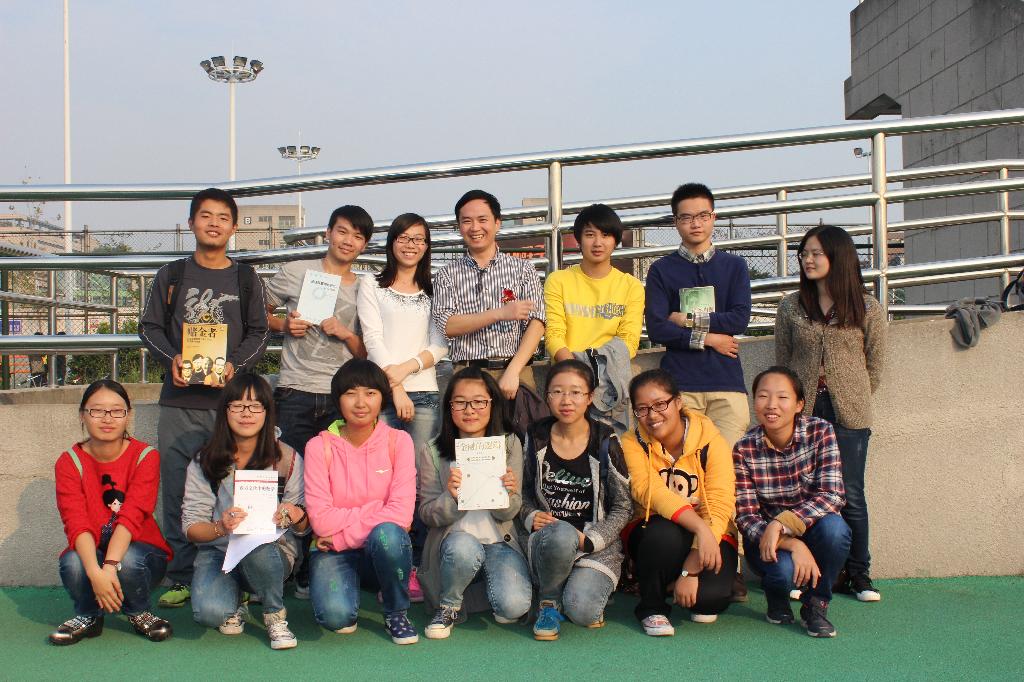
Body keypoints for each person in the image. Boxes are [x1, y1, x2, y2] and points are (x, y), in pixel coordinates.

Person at [139, 187, 270, 608]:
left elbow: (260, 332)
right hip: (180, 403)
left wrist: (234, 366)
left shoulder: (245, 278)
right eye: (206, 216)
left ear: (234, 227)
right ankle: (182, 574)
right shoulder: (172, 275)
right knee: (178, 489)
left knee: (238, 487)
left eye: (223, 217)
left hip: (231, 406)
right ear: (191, 222)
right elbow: (148, 328)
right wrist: (173, 358)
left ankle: (244, 570)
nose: (214, 224)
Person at [643, 182, 752, 601]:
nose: (695, 223)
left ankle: (728, 564)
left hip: (726, 387)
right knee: (682, 477)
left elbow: (739, 318)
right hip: (680, 389)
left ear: (714, 218)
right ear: (676, 222)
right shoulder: (662, 270)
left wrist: (685, 321)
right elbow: (658, 327)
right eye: (686, 217)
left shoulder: (734, 266)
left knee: (725, 478)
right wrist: (709, 337)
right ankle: (681, 562)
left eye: (703, 215)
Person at [774, 224, 886, 602]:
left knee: (850, 493)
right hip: (803, 412)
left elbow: (874, 366)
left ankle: (860, 574)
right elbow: (784, 361)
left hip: (849, 413)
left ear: (838, 257)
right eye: (804, 253)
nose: (807, 259)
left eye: (816, 253)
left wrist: (853, 395)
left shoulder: (867, 307)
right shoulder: (791, 306)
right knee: (801, 491)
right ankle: (806, 572)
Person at [357, 212, 447, 601]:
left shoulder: (435, 289)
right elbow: (373, 340)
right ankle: (385, 565)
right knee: (383, 481)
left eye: (419, 239)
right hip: (383, 396)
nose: (411, 245)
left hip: (425, 393)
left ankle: (416, 568)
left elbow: (439, 344)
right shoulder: (371, 285)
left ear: (427, 246)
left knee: (424, 483)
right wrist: (395, 389)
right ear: (392, 242)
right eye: (404, 238)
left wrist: (406, 371)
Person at [181, 374, 308, 650]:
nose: (246, 413)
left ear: (268, 411)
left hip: (272, 553)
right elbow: (191, 526)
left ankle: (275, 615)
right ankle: (235, 599)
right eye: (237, 405)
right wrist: (220, 527)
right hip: (219, 553)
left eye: (255, 406)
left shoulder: (287, 457)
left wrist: (295, 515)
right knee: (209, 613)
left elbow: (303, 527)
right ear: (225, 411)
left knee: (256, 545)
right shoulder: (205, 460)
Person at [304, 359, 419, 645]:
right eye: (350, 393)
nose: (360, 403)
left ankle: (396, 612)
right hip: (332, 553)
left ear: (382, 398)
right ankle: (351, 590)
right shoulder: (319, 446)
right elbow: (321, 521)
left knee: (389, 534)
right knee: (336, 618)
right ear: (338, 399)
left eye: (370, 393)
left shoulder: (399, 441)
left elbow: (401, 516)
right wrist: (378, 510)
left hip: (354, 544)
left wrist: (342, 538)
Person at [51, 379, 173, 645]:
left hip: (141, 553)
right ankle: (88, 615)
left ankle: (139, 611)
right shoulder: (69, 462)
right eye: (97, 410)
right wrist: (96, 574)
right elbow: (76, 523)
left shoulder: (145, 456)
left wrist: (108, 568)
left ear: (128, 415)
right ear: (82, 415)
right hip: (95, 551)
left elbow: (131, 517)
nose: (107, 418)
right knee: (73, 563)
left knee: (126, 560)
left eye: (117, 411)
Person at [734, 366, 851, 638]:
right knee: (783, 570)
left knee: (836, 531)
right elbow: (746, 517)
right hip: (768, 541)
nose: (771, 405)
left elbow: (832, 495)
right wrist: (792, 542)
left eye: (782, 397)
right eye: (763, 396)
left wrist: (783, 523)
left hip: (812, 530)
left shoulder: (820, 432)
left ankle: (816, 604)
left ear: (799, 404)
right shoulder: (744, 448)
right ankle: (777, 597)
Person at [620, 369, 738, 636]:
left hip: (710, 529)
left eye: (660, 404)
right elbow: (649, 491)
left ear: (678, 401)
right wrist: (699, 527)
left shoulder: (711, 440)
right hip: (657, 531)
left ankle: (673, 581)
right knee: (662, 534)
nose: (652, 415)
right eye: (642, 409)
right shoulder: (631, 443)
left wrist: (692, 566)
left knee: (710, 601)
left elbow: (720, 501)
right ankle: (652, 607)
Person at [519, 360, 631, 641]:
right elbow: (521, 492)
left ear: (589, 397)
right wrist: (530, 515)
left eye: (575, 392)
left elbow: (623, 505)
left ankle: (578, 587)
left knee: (583, 612)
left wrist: (593, 540)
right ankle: (548, 601)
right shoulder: (535, 435)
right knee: (561, 534)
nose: (566, 400)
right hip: (549, 540)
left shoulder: (606, 439)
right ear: (547, 397)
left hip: (593, 547)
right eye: (557, 392)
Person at [418, 366, 530, 639]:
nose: (470, 410)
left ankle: (472, 593)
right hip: (455, 543)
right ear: (449, 407)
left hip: (500, 542)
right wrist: (451, 498)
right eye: (460, 402)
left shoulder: (509, 444)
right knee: (463, 548)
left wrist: (505, 494)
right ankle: (448, 606)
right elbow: (426, 513)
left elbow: (512, 510)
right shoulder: (433, 449)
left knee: (513, 607)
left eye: (479, 402)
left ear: (493, 404)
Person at [432, 189, 545, 408]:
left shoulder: (522, 269)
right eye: (467, 221)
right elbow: (447, 326)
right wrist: (500, 313)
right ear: (459, 227)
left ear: (497, 223)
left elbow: (537, 323)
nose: (475, 228)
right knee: (468, 431)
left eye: (482, 220)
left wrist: (513, 371)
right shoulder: (447, 274)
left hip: (516, 374)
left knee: (522, 431)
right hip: (466, 375)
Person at [544, 204, 644, 434]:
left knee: (610, 447)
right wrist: (578, 375)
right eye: (590, 235)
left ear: (615, 240)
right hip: (568, 380)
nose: (598, 243)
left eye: (605, 235)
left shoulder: (631, 286)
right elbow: (554, 335)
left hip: (611, 380)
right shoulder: (558, 281)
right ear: (579, 239)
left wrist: (595, 372)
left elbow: (629, 342)